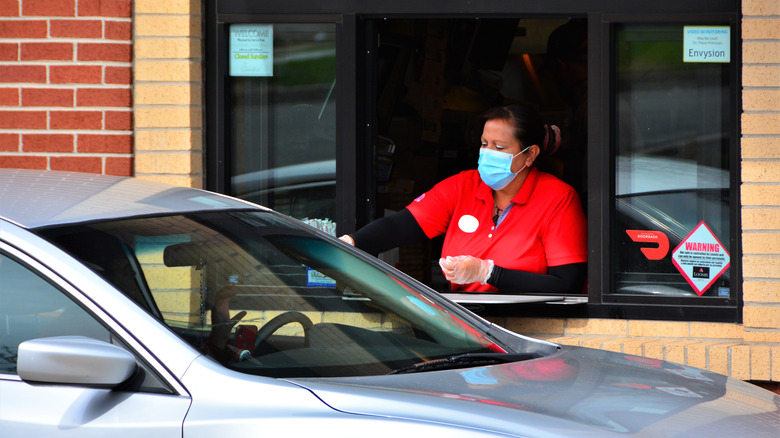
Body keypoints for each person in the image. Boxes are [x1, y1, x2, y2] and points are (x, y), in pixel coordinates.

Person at [341, 103, 587, 294]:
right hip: (464, 319)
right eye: (484, 144)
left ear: (530, 155)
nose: (488, 153)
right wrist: (351, 242)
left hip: (533, 323)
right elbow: (401, 226)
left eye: (499, 148)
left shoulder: (558, 198)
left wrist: (488, 273)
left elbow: (567, 283)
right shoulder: (464, 185)